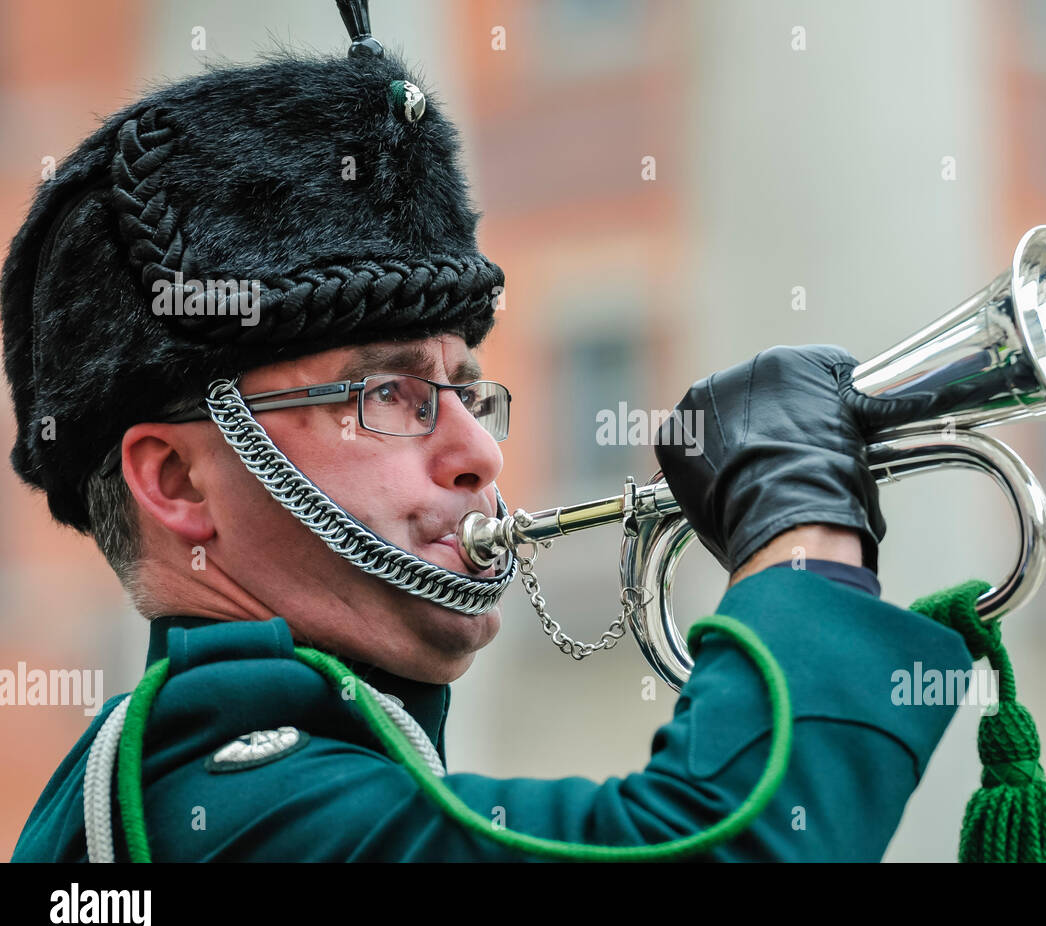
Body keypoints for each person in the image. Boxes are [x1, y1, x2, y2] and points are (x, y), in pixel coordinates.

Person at [4, 4, 971, 862]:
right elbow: (724, 843)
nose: (481, 452)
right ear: (175, 480)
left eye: (467, 388)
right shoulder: (229, 805)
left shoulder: (286, 772)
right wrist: (802, 538)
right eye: (386, 393)